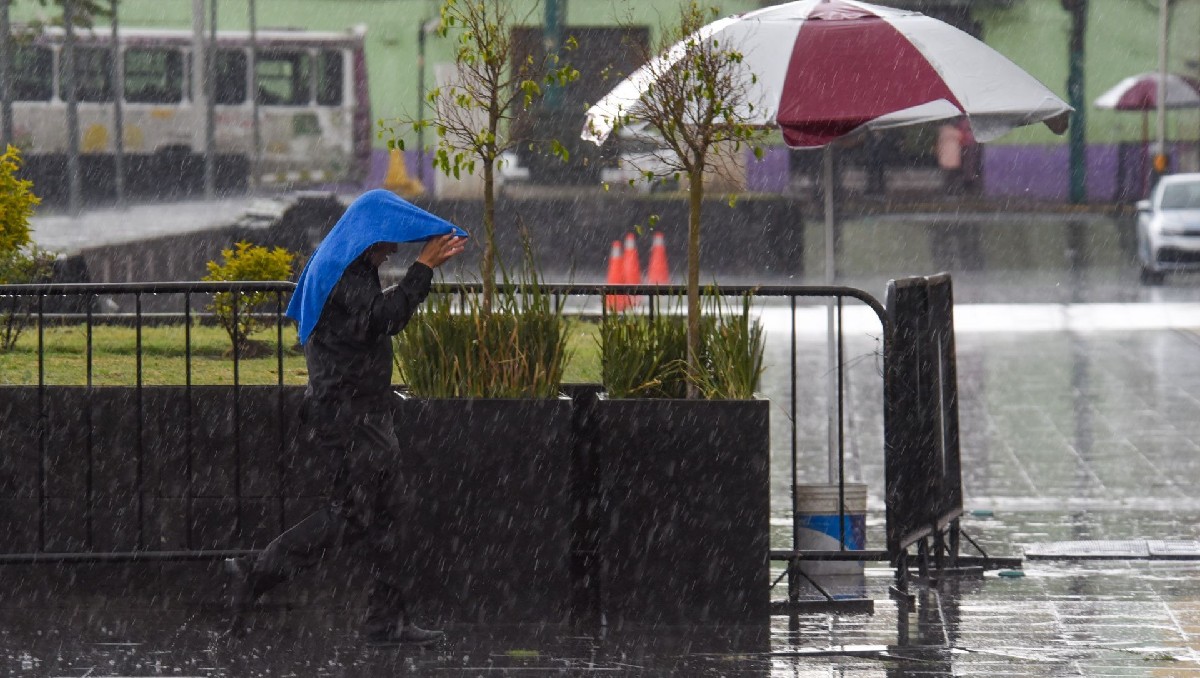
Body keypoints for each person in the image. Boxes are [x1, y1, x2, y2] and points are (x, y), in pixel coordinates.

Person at [224, 189, 468, 646]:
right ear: (368, 238)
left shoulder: (346, 265)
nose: (393, 249)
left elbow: (373, 324)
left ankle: (386, 622)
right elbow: (385, 319)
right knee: (350, 517)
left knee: (388, 516)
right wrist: (424, 268)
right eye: (388, 241)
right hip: (350, 416)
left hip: (363, 412)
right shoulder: (346, 274)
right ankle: (254, 572)